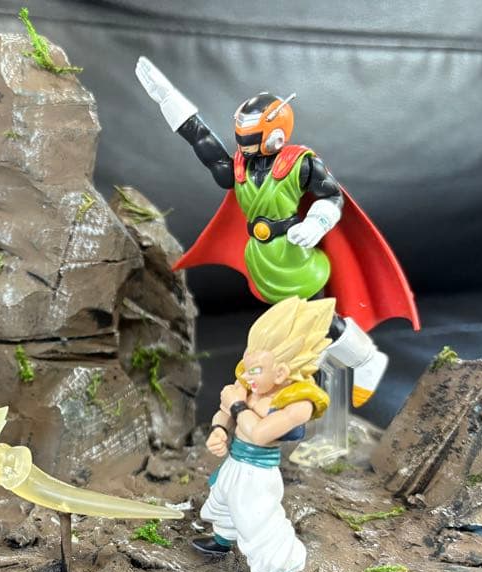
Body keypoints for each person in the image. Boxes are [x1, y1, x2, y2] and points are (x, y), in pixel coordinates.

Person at [135, 58, 419, 407]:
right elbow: (204, 143)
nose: (244, 146)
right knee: (296, 321)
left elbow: (332, 196)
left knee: (316, 315)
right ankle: (318, 362)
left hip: (293, 252)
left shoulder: (300, 163)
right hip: (263, 257)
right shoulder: (240, 166)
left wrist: (316, 223)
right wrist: (169, 101)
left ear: (275, 135)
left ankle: (365, 359)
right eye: (241, 139)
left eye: (251, 139)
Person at [198, 296, 335, 572]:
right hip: (234, 463)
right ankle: (221, 542)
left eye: (256, 369)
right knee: (222, 502)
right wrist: (219, 430)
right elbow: (223, 412)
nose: (247, 375)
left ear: (282, 371)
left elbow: (259, 433)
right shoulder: (249, 385)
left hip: (258, 475)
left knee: (262, 530)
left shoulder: (297, 403)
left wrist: (236, 407)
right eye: (247, 366)